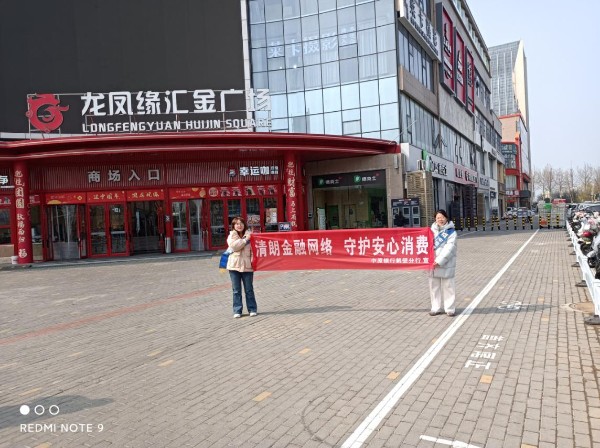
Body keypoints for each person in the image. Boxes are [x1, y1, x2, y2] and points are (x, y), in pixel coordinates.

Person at [227, 216, 257, 318]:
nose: (239, 226)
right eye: (237, 224)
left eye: (241, 223)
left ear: (244, 225)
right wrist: (245, 240)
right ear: (233, 226)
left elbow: (254, 250)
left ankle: (252, 309)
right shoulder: (231, 236)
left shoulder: (250, 235)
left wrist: (253, 261)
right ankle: (237, 310)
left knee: (249, 289)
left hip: (247, 266)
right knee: (236, 290)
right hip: (234, 266)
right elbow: (234, 247)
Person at [428, 209, 457, 317]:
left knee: (448, 286)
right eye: (438, 218)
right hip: (432, 264)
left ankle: (450, 309)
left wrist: (439, 261)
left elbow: (450, 248)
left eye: (442, 217)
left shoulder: (451, 232)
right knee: (434, 287)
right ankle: (435, 308)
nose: (440, 219)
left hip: (446, 263)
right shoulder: (430, 231)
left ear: (446, 218)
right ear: (435, 219)